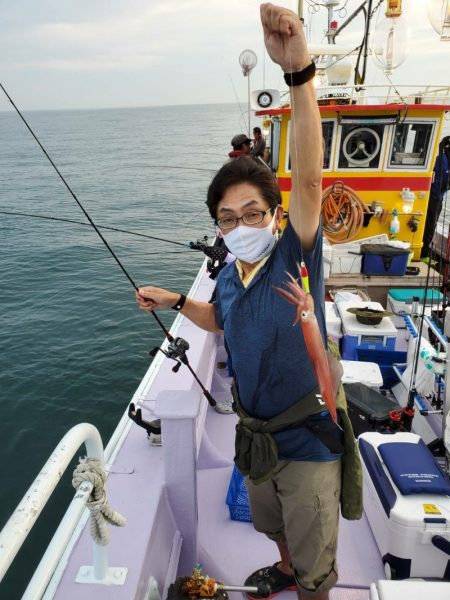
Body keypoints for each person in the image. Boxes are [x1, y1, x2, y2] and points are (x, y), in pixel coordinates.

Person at [136, 5, 361, 599]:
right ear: (218, 226)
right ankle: (286, 568)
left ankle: (310, 586)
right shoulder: (231, 273)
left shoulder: (294, 257)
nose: (241, 225)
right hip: (254, 432)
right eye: (227, 218)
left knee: (316, 545)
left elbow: (310, 180)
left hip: (309, 437)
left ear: (276, 216)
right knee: (272, 521)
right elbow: (224, 321)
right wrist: (178, 298)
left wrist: (300, 72)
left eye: (253, 214)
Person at [421, 136, 450, 258]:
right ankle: (423, 253)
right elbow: (441, 181)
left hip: (439, 196)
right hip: (433, 196)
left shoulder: (445, 158)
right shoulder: (442, 159)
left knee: (432, 224)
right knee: (429, 225)